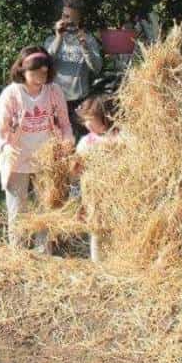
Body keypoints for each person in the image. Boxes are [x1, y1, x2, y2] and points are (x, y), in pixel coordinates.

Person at [0, 46, 73, 252]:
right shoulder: (11, 94)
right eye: (35, 71)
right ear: (22, 71)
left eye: (44, 71)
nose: (40, 76)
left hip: (47, 159)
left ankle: (43, 253)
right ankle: (17, 253)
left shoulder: (54, 92)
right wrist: (5, 147)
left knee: (46, 207)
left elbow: (65, 124)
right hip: (18, 160)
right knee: (17, 210)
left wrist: (68, 141)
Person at [45, 0, 102, 137]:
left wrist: (85, 46)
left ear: (79, 19)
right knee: (58, 142)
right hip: (55, 101)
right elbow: (45, 65)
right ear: (60, 17)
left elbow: (96, 68)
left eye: (72, 19)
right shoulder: (51, 40)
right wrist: (59, 38)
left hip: (80, 101)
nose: (68, 22)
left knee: (80, 142)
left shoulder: (88, 40)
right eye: (65, 17)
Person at [73, 93, 118, 262]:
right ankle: (97, 264)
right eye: (85, 120)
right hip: (94, 194)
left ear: (107, 117)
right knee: (97, 229)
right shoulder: (87, 141)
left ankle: (118, 260)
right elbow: (77, 167)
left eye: (91, 119)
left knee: (116, 228)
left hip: (118, 193)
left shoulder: (120, 137)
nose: (87, 124)